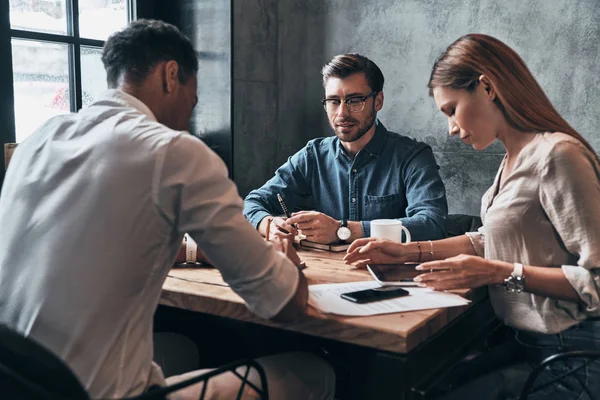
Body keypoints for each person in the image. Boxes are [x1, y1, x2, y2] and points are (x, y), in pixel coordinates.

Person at [0, 20, 334, 400]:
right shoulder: (172, 151)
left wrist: (194, 250)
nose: (191, 110)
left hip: (18, 382)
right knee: (313, 373)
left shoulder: (40, 140)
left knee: (182, 347)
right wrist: (288, 264)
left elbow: (105, 242)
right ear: (171, 75)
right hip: (94, 393)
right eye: (193, 96)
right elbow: (282, 303)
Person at [344, 33, 600, 399]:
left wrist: (500, 273)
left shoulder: (557, 156)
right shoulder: (513, 159)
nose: (450, 128)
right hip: (524, 341)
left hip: (570, 354)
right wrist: (407, 251)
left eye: (452, 109)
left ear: (487, 87)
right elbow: (490, 238)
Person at [244, 53, 448, 245]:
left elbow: (433, 224)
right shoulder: (313, 155)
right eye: (333, 101)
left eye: (355, 100)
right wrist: (268, 225)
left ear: (378, 101)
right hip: (327, 275)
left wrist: (343, 230)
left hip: (390, 279)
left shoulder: (413, 156)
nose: (342, 113)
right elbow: (253, 202)